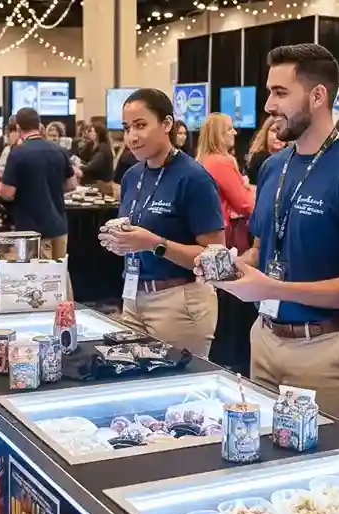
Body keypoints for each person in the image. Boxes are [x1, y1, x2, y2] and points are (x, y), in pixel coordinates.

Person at [200, 44, 339, 427]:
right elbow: (259, 251)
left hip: (328, 350)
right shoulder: (273, 168)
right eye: (270, 91)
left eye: (280, 93)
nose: (269, 105)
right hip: (266, 339)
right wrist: (228, 267)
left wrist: (272, 289)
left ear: (317, 95)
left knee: (325, 474)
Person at [99, 88, 224, 358]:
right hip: (133, 295)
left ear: (167, 124)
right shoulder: (133, 176)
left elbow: (216, 257)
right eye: (127, 127)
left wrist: (155, 244)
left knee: (178, 391)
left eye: (141, 125)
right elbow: (137, 235)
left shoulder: (193, 177)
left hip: (180, 302)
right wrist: (119, 240)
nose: (132, 136)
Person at [0, 107, 76, 300]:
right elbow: (71, 184)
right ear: (40, 125)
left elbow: (7, 193)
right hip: (58, 225)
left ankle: (41, 319)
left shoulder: (17, 153)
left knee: (35, 278)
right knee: (59, 273)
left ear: (17, 126)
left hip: (30, 229)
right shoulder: (59, 150)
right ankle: (68, 315)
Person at [197, 112, 255, 254]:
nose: (234, 133)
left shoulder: (204, 160)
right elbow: (245, 204)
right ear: (218, 134)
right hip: (227, 234)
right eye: (229, 129)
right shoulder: (221, 162)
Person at [245, 116, 286, 186]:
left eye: (283, 131)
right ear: (266, 133)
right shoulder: (259, 159)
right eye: (274, 131)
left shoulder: (292, 159)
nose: (278, 136)